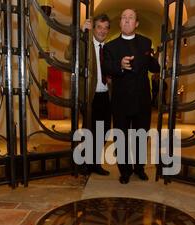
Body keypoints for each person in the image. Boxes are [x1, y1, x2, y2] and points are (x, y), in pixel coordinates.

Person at [103, 9, 160, 184]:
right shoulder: (110, 46)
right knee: (121, 136)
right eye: (124, 18)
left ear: (136, 24)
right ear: (120, 23)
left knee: (141, 136)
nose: (127, 20)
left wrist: (153, 58)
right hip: (120, 100)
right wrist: (119, 65)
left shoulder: (146, 42)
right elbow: (106, 68)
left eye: (131, 18)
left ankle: (139, 168)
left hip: (142, 99)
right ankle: (125, 171)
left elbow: (154, 69)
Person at [65, 14, 111, 176]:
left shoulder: (109, 48)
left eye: (106, 28)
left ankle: (95, 163)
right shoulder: (85, 44)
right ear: (93, 28)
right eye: (99, 27)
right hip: (89, 96)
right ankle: (84, 163)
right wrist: (79, 34)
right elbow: (68, 56)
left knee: (104, 131)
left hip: (106, 96)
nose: (102, 31)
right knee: (89, 132)